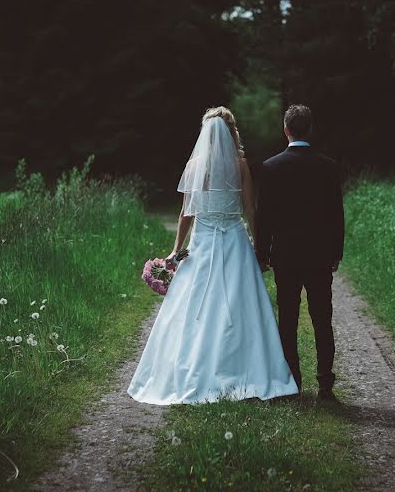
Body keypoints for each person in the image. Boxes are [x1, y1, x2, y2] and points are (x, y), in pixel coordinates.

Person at [128, 107, 299, 404]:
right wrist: (260, 248)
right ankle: (246, 369)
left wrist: (175, 250)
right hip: (234, 241)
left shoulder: (194, 166)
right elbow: (250, 210)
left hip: (202, 244)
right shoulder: (240, 165)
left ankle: (193, 368)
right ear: (231, 133)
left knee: (196, 306)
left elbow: (185, 213)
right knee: (239, 307)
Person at [255, 104, 344, 402]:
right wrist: (336, 252)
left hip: (286, 257)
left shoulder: (271, 167)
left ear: (286, 129)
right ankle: (325, 384)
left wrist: (262, 252)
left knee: (288, 320)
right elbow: (336, 215)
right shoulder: (328, 166)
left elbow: (263, 215)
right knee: (322, 319)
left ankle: (293, 382)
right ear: (311, 129)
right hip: (319, 256)